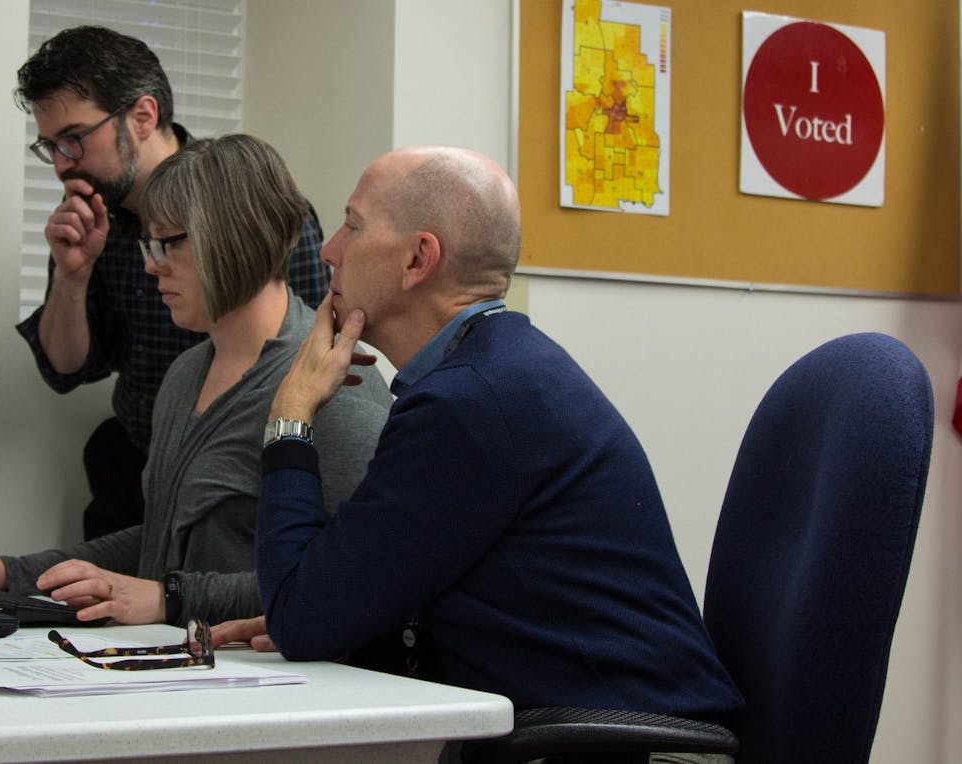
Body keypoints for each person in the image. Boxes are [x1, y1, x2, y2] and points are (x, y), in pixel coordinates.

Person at [215, 147, 742, 738]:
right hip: (598, 732)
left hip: (625, 746)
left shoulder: (471, 406)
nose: (328, 249)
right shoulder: (493, 376)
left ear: (419, 259)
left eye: (353, 225)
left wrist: (290, 412)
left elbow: (300, 619)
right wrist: (334, 617)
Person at [0, 134, 390, 626]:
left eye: (166, 244)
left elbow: (351, 579)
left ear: (230, 237)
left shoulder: (335, 382)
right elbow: (160, 541)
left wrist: (168, 599)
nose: (150, 266)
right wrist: (12, 573)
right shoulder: (185, 375)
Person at [13, 26, 331, 540]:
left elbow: (315, 353)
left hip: (243, 473)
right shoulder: (91, 219)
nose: (62, 165)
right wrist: (72, 277)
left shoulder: (240, 204)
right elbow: (65, 369)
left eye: (74, 138)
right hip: (136, 470)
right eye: (49, 146)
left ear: (143, 116)